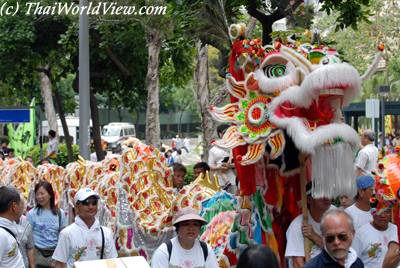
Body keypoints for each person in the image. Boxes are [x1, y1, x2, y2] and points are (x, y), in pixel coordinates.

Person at [52, 187, 117, 267]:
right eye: (86, 203)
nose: (91, 207)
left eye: (94, 203)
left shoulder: (106, 233)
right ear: (77, 207)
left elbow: (112, 262)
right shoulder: (66, 234)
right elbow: (59, 264)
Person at [151, 207, 218, 268]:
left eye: (195, 224)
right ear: (178, 228)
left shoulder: (206, 250)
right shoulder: (164, 251)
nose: (191, 228)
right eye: (186, 224)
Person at [285, 183, 332, 268]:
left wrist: (315, 237)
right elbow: (298, 264)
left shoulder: (335, 218)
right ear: (309, 200)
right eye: (320, 194)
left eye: (328, 193)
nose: (326, 197)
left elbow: (337, 250)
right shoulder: (297, 225)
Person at [352, 190, 398, 268]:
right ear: (372, 212)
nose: (383, 215)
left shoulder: (395, 229)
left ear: (391, 213)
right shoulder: (360, 234)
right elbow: (353, 262)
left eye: (387, 211)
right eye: (379, 211)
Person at [28, 181, 67, 268]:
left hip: (55, 256)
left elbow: (63, 237)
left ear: (50, 194)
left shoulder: (60, 213)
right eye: (37, 194)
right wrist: (32, 264)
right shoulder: (32, 214)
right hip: (38, 255)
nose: (39, 197)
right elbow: (29, 239)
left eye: (42, 194)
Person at [0, 186, 26, 267]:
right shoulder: (1, 234)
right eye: (22, 204)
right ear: (14, 206)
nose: (24, 208)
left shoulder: (9, 225)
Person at [208, 124, 236, 194]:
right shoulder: (213, 149)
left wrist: (230, 166)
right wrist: (219, 167)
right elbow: (210, 166)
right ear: (220, 134)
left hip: (234, 180)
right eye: (225, 132)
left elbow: (241, 162)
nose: (228, 134)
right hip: (220, 182)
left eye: (230, 132)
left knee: (236, 201)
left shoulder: (235, 147)